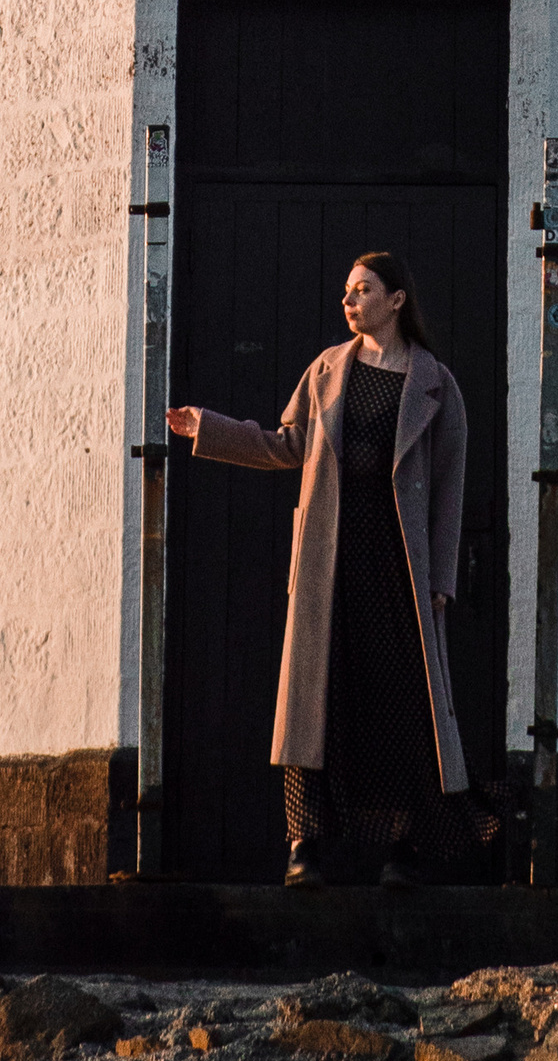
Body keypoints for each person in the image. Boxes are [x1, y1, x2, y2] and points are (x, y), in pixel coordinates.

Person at [168, 249, 499, 886]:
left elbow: (450, 486)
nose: (348, 300)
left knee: (400, 702)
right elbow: (285, 445)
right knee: (315, 701)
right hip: (331, 563)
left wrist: (441, 580)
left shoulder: (435, 384)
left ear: (396, 300)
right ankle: (304, 845)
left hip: (399, 569)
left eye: (363, 290)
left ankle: (403, 848)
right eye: (347, 290)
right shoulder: (325, 370)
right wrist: (207, 428)